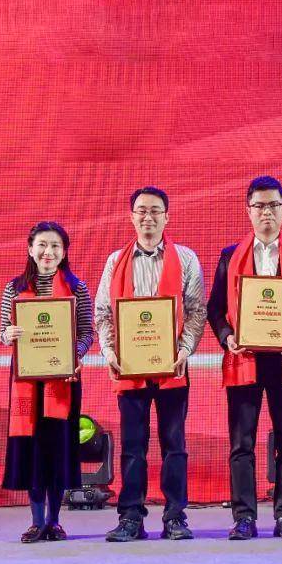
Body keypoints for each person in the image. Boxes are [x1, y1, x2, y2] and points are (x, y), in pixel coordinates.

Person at [207, 176, 282, 540]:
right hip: (244, 360)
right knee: (242, 443)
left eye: (273, 205)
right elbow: (214, 309)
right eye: (259, 205)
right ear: (248, 211)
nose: (266, 212)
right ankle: (244, 517)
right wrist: (227, 338)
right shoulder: (230, 256)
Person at [95, 186, 207, 541]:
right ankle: (131, 517)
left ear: (166, 217)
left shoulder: (186, 259)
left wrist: (184, 350)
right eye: (141, 211)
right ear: (132, 217)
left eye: (155, 211)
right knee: (133, 445)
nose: (148, 217)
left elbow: (197, 311)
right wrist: (110, 353)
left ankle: (175, 517)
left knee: (174, 445)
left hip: (173, 367)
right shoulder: (115, 261)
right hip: (130, 369)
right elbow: (103, 313)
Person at [1, 222, 94, 543]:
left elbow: (87, 333)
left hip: (62, 378)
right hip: (27, 380)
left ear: (64, 252)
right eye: (42, 245)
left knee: (58, 448)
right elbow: (2, 332)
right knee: (33, 449)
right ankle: (35, 521)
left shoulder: (77, 288)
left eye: (55, 246)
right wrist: (7, 334)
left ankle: (54, 521)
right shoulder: (14, 288)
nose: (48, 252)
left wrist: (75, 354)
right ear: (30, 249)